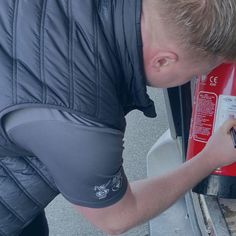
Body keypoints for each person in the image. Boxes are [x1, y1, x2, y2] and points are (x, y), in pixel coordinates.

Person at [0, 0, 236, 235]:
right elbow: (117, 217)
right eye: (197, 72)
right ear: (163, 61)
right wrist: (211, 157)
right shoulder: (81, 124)